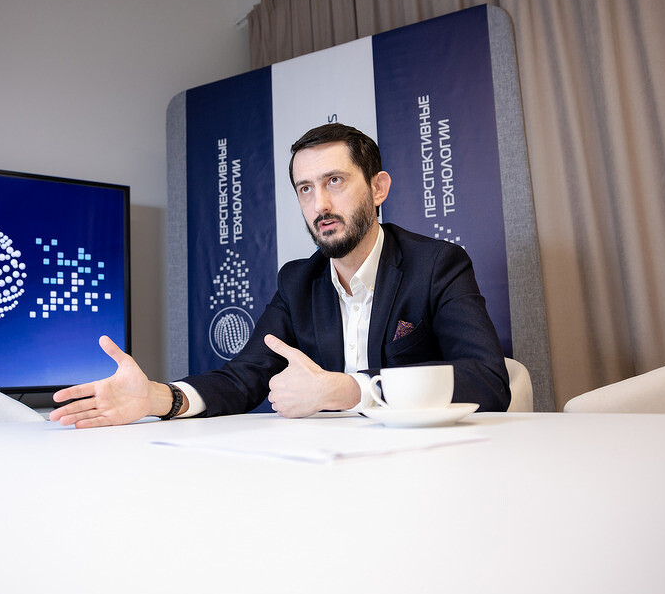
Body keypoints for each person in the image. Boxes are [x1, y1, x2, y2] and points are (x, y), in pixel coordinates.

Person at [50, 123, 510, 428]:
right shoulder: (297, 282)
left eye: (334, 181)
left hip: (423, 467)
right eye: (305, 189)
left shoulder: (437, 265)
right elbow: (242, 378)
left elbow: (488, 379)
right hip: (327, 471)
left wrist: (350, 389)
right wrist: (160, 398)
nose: (320, 205)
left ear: (378, 187)